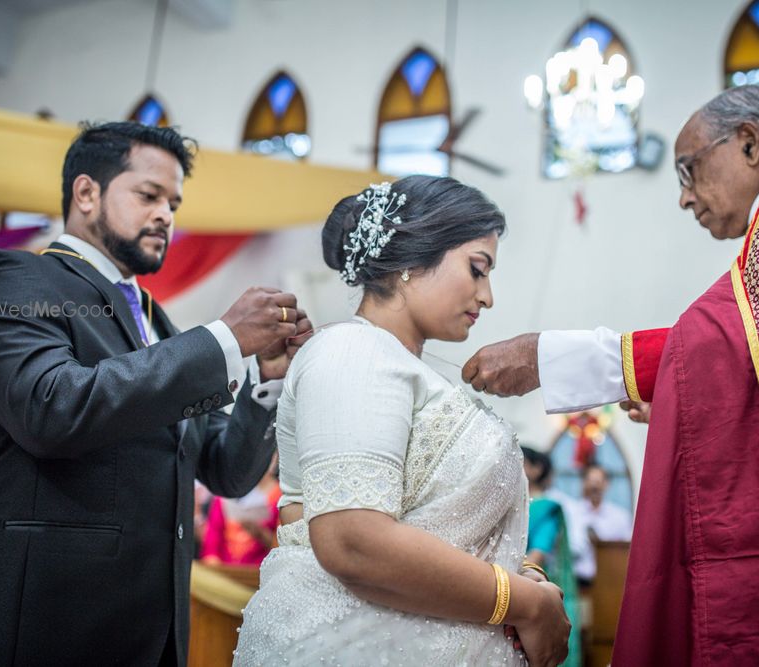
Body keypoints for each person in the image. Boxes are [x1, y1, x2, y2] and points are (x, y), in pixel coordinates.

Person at [463, 86, 759, 664]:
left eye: (689, 169)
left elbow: (724, 342)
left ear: (750, 143)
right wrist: (695, 407)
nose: (683, 197)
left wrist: (547, 356)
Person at [0, 122, 311, 667]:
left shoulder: (159, 325)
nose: (165, 215)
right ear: (86, 193)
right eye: (148, 195)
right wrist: (225, 338)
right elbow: (50, 407)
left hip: (154, 631)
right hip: (43, 623)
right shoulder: (13, 278)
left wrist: (267, 381)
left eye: (173, 202)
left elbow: (226, 470)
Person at [234, 176, 570, 667]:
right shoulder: (353, 352)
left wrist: (509, 573)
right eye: (477, 269)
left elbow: (428, 521)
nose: (488, 295)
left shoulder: (399, 366)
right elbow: (353, 540)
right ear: (413, 259)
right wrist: (521, 602)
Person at [521, 448, 580, 667]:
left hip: (527, 584)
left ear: (537, 469)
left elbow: (537, 554)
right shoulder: (511, 504)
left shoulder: (547, 508)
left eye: (521, 461)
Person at [200, 454, 282, 566]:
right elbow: (212, 544)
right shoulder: (225, 494)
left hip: (261, 570)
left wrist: (261, 534)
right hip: (225, 571)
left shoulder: (281, 497)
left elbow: (283, 550)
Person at [569, 465, 631, 585]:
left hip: (609, 582)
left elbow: (626, 551)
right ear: (584, 483)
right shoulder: (573, 513)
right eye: (590, 481)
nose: (594, 486)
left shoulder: (621, 517)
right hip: (577, 581)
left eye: (598, 482)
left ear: (606, 484)